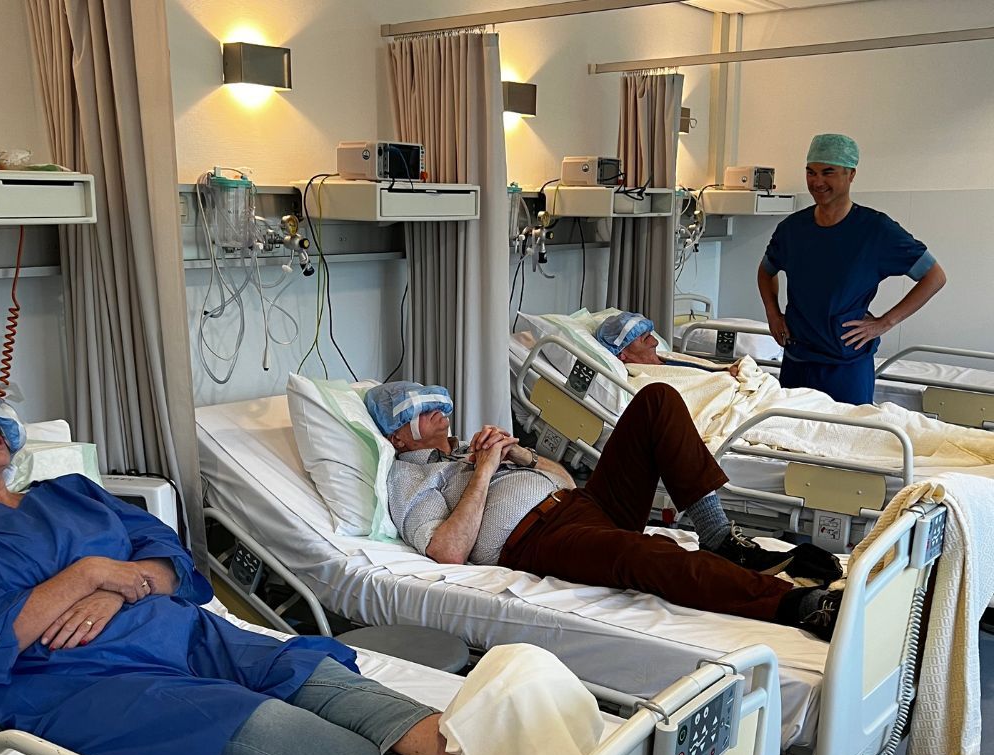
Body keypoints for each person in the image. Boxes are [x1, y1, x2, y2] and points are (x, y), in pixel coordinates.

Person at [0, 382, 456, 755]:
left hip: (186, 632)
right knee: (260, 718)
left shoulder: (71, 493)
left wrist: (118, 590)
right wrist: (90, 573)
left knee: (317, 675)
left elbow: (167, 557)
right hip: (84, 681)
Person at [366, 381, 845, 640]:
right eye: (417, 409)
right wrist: (484, 472)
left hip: (583, 502)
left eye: (434, 400)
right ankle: (797, 606)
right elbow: (448, 551)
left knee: (657, 400)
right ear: (397, 437)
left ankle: (718, 537)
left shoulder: (468, 446)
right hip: (540, 538)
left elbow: (563, 479)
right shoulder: (409, 476)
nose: (435, 408)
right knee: (646, 554)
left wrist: (521, 456)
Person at [757, 133, 946, 405]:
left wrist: (885, 322)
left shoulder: (876, 231)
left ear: (851, 174)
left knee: (847, 430)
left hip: (846, 367)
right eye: (810, 172)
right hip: (797, 361)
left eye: (828, 172)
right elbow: (766, 272)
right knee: (786, 430)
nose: (817, 182)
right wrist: (773, 315)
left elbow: (934, 276)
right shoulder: (792, 229)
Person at [594, 311, 740, 377]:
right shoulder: (643, 379)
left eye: (646, 331)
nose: (644, 332)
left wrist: (727, 370)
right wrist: (725, 379)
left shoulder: (667, 357)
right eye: (633, 334)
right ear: (621, 354)